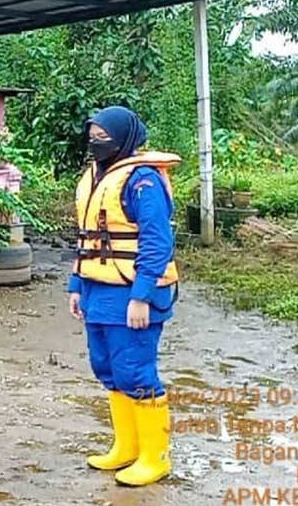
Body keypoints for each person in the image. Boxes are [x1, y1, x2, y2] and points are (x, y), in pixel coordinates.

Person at [66, 106, 180, 487]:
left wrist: (142, 295)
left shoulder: (142, 181)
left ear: (123, 138)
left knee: (136, 371)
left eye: (104, 137)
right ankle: (126, 448)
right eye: (92, 135)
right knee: (108, 369)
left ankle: (155, 457)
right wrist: (77, 286)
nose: (96, 142)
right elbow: (88, 240)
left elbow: (156, 242)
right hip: (97, 289)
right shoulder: (96, 177)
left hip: (133, 292)